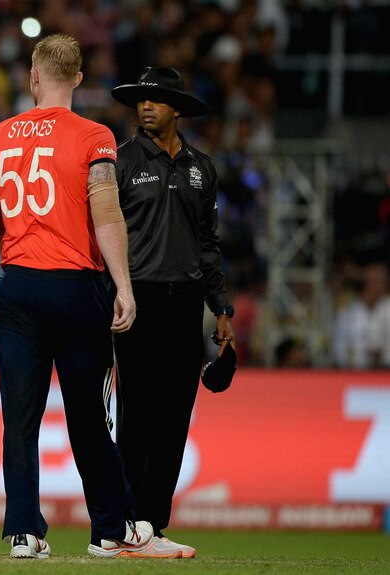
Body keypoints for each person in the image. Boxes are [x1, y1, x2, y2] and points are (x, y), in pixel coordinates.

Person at [0, 34, 157, 560]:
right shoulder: (94, 136)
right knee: (87, 415)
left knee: (21, 416)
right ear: (78, 78)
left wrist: (15, 260)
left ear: (33, 77)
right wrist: (123, 286)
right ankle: (109, 529)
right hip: (76, 289)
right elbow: (106, 213)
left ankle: (24, 533)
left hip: (18, 286)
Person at [110, 66, 237, 559]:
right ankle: (126, 523)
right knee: (136, 416)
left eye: (158, 99)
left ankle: (152, 526)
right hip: (136, 301)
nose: (146, 106)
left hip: (186, 307)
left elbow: (209, 246)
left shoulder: (202, 168)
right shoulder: (117, 163)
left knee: (174, 420)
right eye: (142, 99)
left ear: (177, 108)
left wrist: (220, 307)